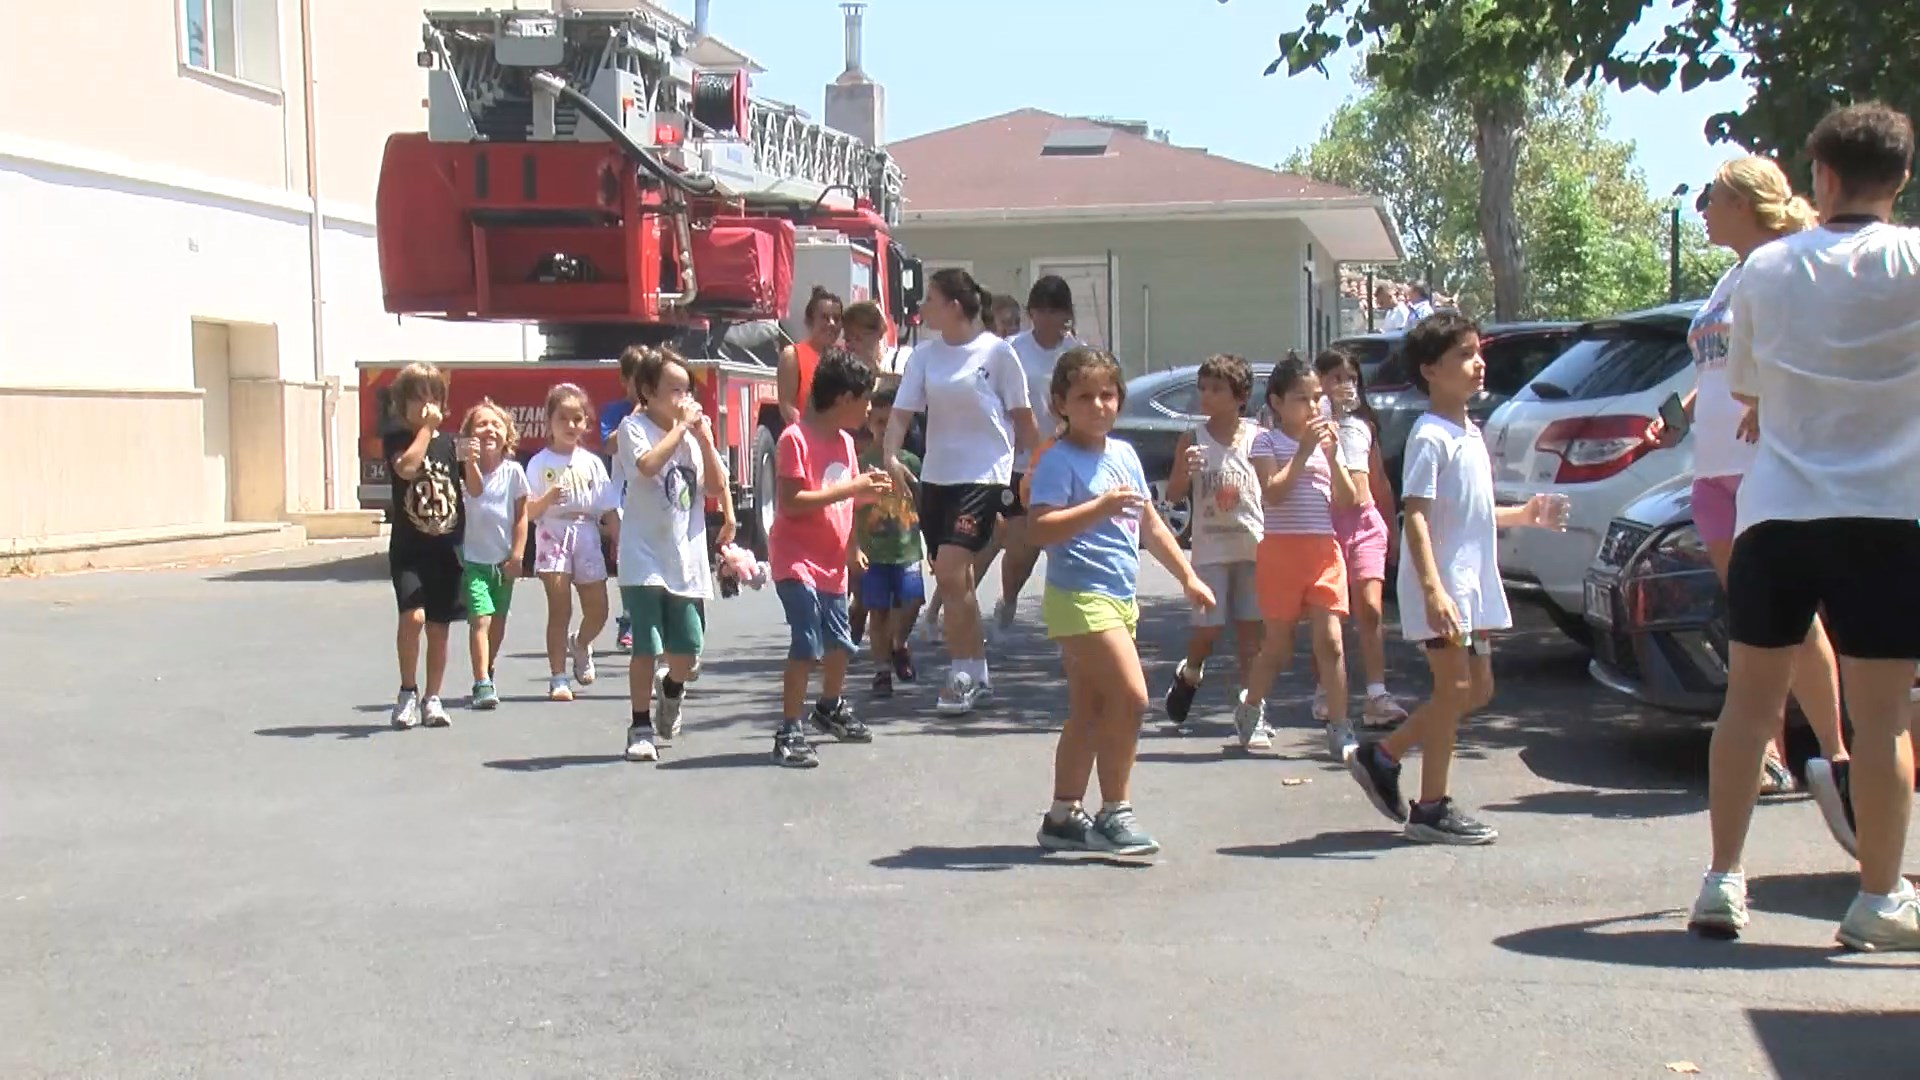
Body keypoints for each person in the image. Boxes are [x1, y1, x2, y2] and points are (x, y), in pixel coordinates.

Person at [1685, 102, 1920, 950]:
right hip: (1887, 515)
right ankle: (1880, 899)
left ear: (1820, 178)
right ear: (1899, 178)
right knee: (1882, 717)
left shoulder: (1770, 269)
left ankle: (1722, 882)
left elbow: (1746, 389)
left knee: (1748, 707)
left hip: (1777, 513)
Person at [1653, 156, 1846, 797]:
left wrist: (1774, 404)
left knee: (1792, 616)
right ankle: (1768, 751)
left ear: (1744, 204)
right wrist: (1677, 416)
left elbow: (1819, 351)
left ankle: (1834, 753)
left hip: (1764, 464)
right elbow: (1717, 366)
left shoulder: (1792, 266)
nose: (1703, 209)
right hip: (1713, 470)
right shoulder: (1730, 278)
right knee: (1754, 616)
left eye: (1713, 197)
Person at [1347, 313, 1566, 844]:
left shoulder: (1469, 433)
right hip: (1442, 588)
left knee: (1476, 689)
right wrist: (1432, 588)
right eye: (1464, 356)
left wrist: (1526, 514)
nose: (1478, 363)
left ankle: (1385, 754)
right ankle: (1430, 807)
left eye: (1478, 351)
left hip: (1471, 588)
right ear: (1430, 370)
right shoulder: (1430, 437)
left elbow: (1475, 510)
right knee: (1454, 688)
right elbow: (1415, 515)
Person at [1030, 347, 1215, 856]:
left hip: (1118, 596)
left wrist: (1187, 576)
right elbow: (1040, 527)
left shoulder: (1125, 456)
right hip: (1079, 596)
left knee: (1088, 711)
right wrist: (1098, 507)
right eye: (1084, 396)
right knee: (1131, 698)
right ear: (1061, 403)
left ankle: (1063, 815)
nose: (1098, 405)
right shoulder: (1058, 459)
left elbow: (1150, 525)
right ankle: (1116, 811)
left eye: (1107, 395)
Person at [882, 268, 1040, 716]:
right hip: (936, 479)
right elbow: (900, 417)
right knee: (955, 580)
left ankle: (961, 672)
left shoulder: (998, 353)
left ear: (954, 305)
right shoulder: (924, 357)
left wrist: (1038, 471)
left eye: (929, 298)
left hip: (984, 475)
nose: (922, 308)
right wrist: (891, 456)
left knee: (952, 570)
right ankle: (978, 671)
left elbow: (1024, 421)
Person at [1235, 354, 1364, 759]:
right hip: (1280, 552)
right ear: (1276, 401)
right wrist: (1305, 451)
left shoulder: (1327, 444)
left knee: (1331, 642)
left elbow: (1348, 501)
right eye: (1301, 399)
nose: (1313, 408)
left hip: (1323, 551)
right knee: (1277, 647)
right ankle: (1251, 707)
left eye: (1317, 399)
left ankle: (1340, 726)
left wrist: (1330, 455)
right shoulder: (1265, 442)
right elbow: (1272, 492)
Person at [770, 348, 888, 768]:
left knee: (840, 643)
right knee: (806, 641)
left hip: (833, 561)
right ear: (843, 399)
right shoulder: (794, 439)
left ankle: (830, 706)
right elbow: (793, 501)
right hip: (796, 559)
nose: (870, 408)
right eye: (866, 399)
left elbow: (847, 500)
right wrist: (851, 487)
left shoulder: (843, 441)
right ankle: (789, 728)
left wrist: (854, 539)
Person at [615, 347, 734, 763]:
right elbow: (647, 466)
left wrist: (702, 437)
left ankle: (672, 689)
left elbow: (716, 487)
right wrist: (680, 430)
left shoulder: (692, 438)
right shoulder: (634, 428)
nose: (683, 398)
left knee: (687, 652)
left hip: (685, 558)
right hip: (643, 556)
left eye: (687, 390)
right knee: (645, 646)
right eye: (674, 389)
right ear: (649, 391)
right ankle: (640, 725)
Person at [1160, 353, 1264, 732]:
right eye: (1202, 388)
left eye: (1217, 389)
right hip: (1211, 549)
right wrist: (1183, 475)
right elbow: (1171, 495)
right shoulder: (1192, 439)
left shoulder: (1257, 438)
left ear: (1240, 396)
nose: (1206, 396)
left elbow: (1271, 487)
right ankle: (1190, 672)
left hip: (1253, 545)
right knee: (1208, 627)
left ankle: (1253, 711)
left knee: (1251, 635)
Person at [1314, 347, 1407, 730]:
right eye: (1335, 377)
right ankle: (1326, 687)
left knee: (1370, 608)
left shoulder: (1363, 425)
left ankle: (1376, 693)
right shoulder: (1314, 426)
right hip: (1327, 522)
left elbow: (1379, 480)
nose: (1345, 385)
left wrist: (1394, 530)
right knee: (1328, 612)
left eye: (1351, 378)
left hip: (1366, 521)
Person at [993, 275, 1079, 637]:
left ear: (1067, 314)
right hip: (1020, 462)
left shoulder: (1077, 354)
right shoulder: (1010, 350)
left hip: (1065, 460)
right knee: (1020, 550)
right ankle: (1009, 598)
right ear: (1031, 313)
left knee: (1068, 547)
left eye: (1055, 311)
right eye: (1040, 310)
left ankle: (1074, 620)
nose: (1047, 318)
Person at [383, 362, 466, 729]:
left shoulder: (451, 445)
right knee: (412, 617)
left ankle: (433, 697)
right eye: (418, 399)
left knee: (438, 627)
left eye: (434, 399)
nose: (427, 406)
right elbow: (406, 468)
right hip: (409, 552)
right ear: (402, 405)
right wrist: (426, 430)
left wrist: (476, 462)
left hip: (446, 550)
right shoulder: (398, 440)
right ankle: (407, 692)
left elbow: (473, 489)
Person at [526, 383, 619, 702]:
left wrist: (618, 537)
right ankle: (558, 677)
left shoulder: (591, 462)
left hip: (587, 533)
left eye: (577, 419)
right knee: (559, 607)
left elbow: (608, 506)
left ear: (586, 423)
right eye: (562, 418)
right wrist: (547, 498)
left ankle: (580, 644)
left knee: (599, 611)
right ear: (549, 422)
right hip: (552, 533)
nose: (570, 425)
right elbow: (528, 511)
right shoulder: (538, 463)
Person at [457, 398, 529, 711]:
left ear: (507, 435)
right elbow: (474, 491)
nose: (489, 429)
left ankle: (488, 666)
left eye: (496, 424)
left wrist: (517, 554)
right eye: (481, 424)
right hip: (473, 560)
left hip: (503, 562)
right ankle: (481, 682)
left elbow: (522, 516)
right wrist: (470, 461)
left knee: (498, 623)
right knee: (480, 620)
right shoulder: (463, 472)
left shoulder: (513, 472)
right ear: (469, 434)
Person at [855, 386, 924, 696]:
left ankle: (899, 644)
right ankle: (882, 670)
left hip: (907, 548)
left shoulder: (911, 461)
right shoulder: (860, 462)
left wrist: (933, 548)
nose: (885, 429)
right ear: (869, 423)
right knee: (878, 610)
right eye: (879, 422)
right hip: (873, 552)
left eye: (891, 422)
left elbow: (924, 505)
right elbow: (848, 507)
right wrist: (852, 546)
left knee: (913, 600)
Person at [601, 354, 643, 652]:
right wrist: (635, 415)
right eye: (636, 381)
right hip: (621, 495)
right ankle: (629, 620)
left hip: (651, 496)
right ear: (624, 381)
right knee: (628, 560)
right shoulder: (616, 411)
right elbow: (608, 444)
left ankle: (647, 619)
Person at [778, 286, 844, 426]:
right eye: (825, 318)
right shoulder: (793, 356)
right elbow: (786, 406)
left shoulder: (845, 358)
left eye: (836, 319)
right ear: (809, 321)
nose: (831, 323)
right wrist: (808, 435)